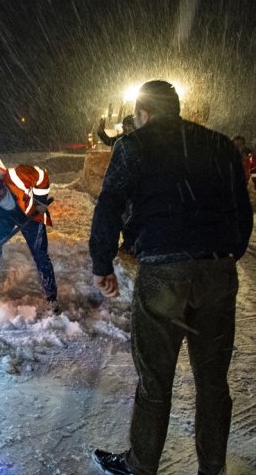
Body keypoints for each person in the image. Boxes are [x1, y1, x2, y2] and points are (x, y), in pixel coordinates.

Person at [89, 80, 252, 475]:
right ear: (176, 108)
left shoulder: (134, 145)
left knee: (155, 382)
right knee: (213, 383)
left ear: (143, 113)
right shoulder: (219, 145)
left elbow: (109, 205)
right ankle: (211, 468)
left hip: (163, 271)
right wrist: (227, 256)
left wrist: (102, 262)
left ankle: (142, 465)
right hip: (217, 271)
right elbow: (243, 210)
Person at [0, 164, 58, 313]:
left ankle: (51, 298)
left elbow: (42, 175)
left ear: (1, 191)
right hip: (2, 219)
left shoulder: (18, 176)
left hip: (29, 213)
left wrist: (40, 200)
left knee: (40, 255)